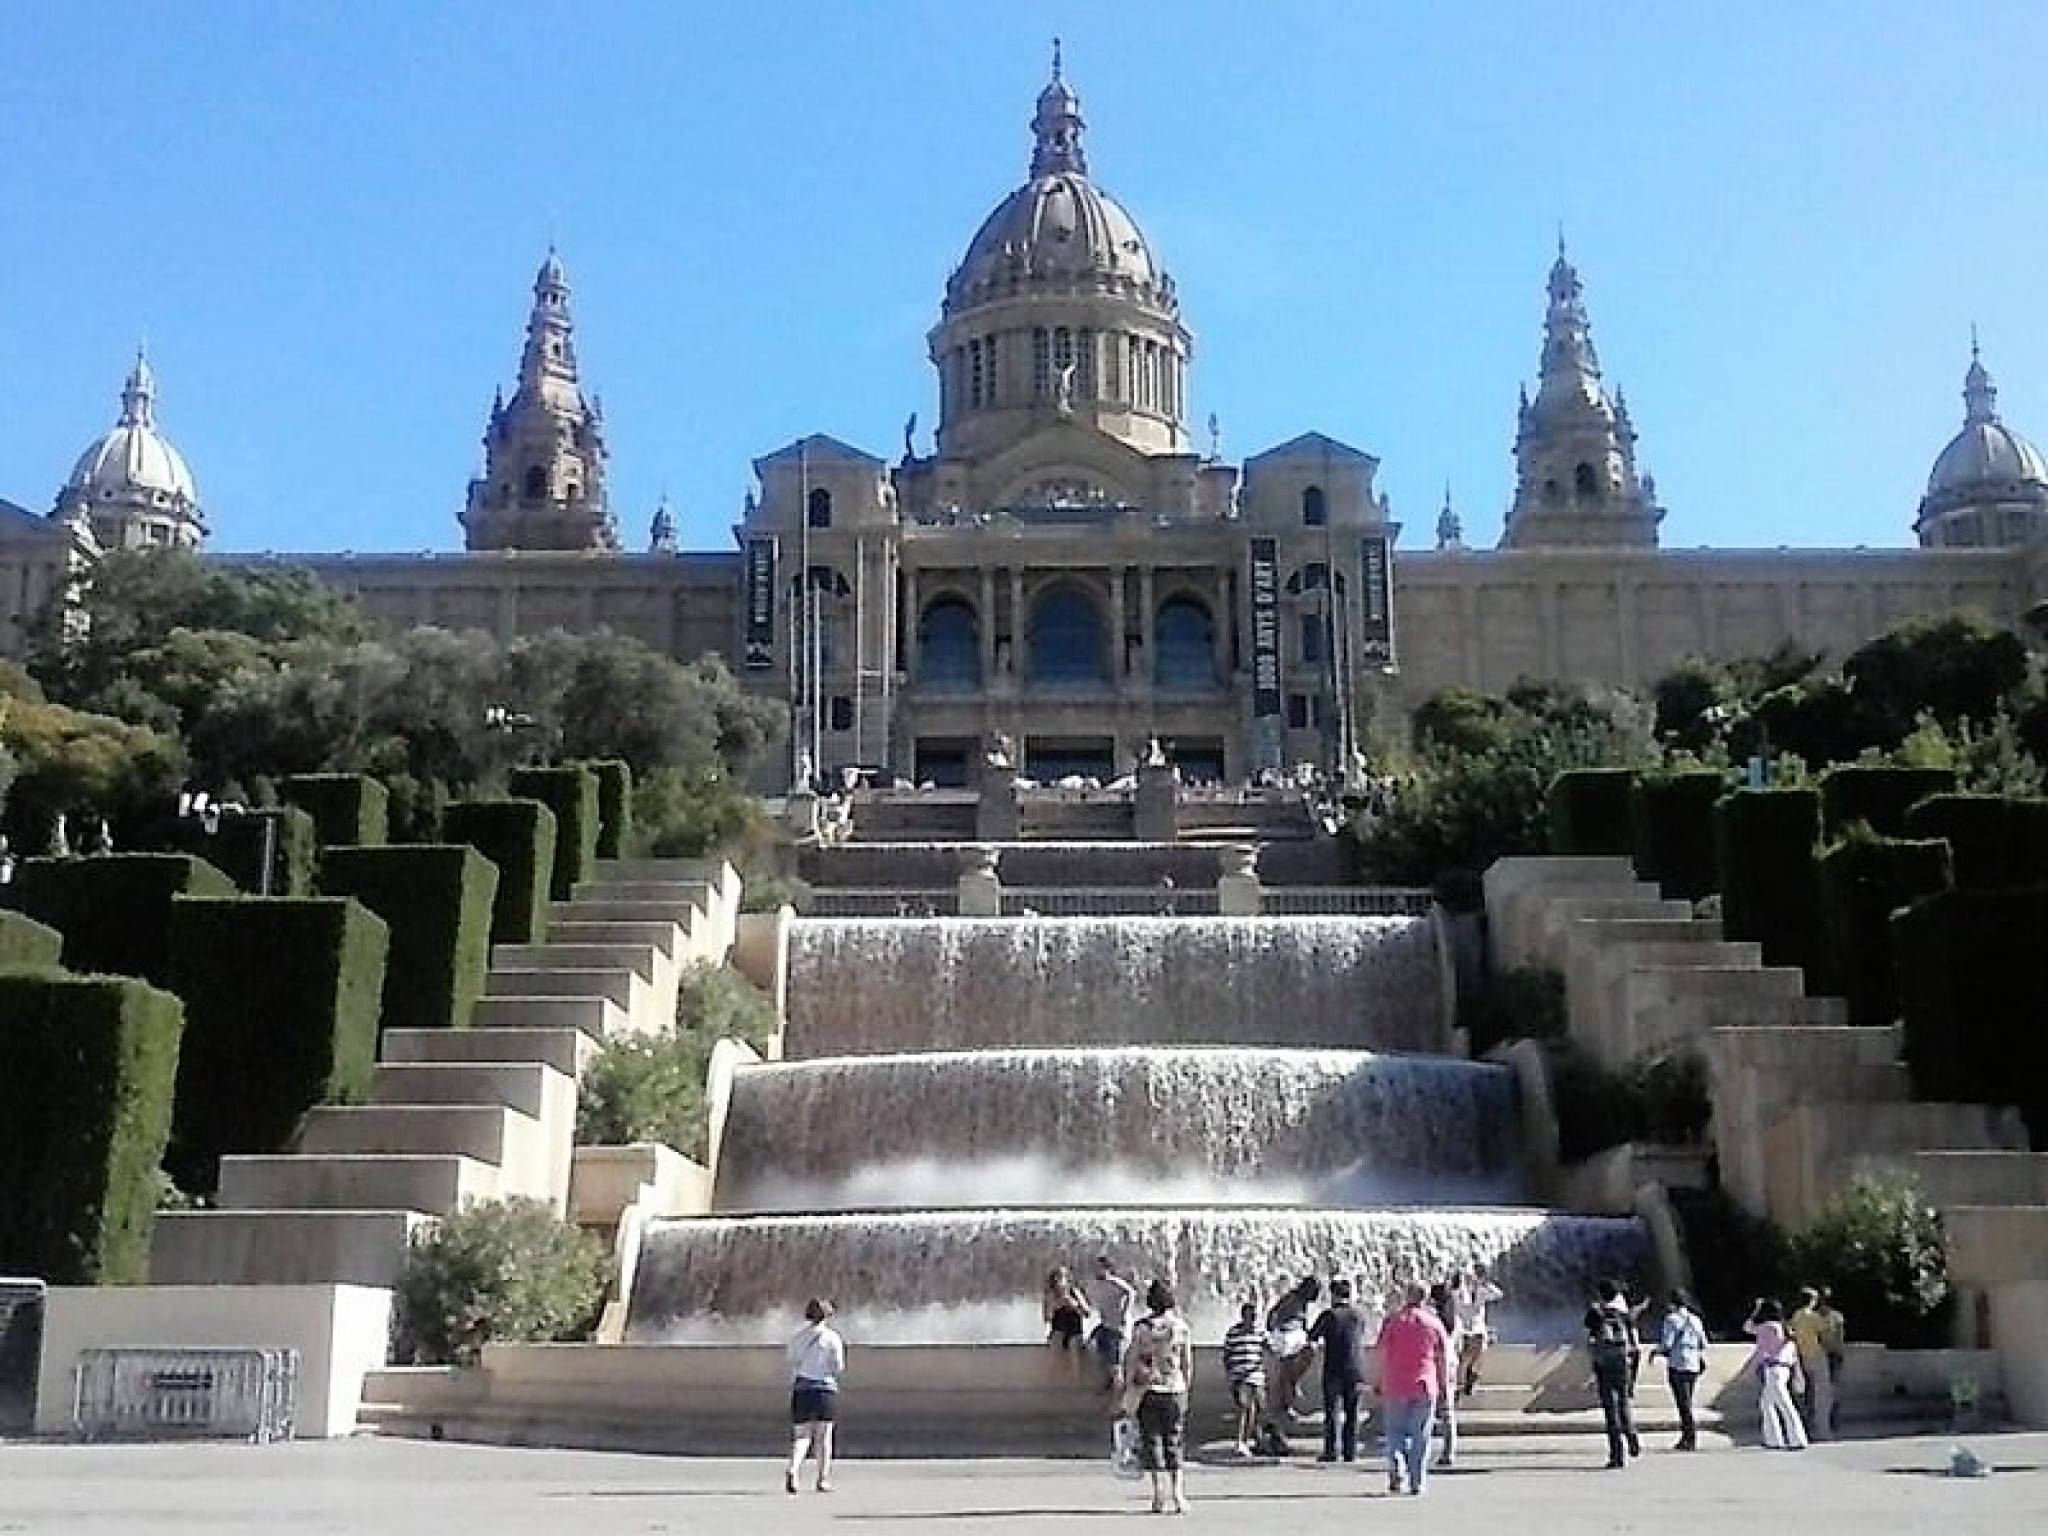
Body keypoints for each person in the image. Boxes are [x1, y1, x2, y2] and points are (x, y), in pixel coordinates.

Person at [1375, 1281, 1452, 1496]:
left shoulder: (1393, 1322)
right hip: (1425, 1385)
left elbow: (1381, 1353)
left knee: (1395, 1432)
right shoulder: (1434, 1323)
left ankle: (1397, 1468)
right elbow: (1443, 1357)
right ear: (1424, 1299)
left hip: (1396, 1384)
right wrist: (1445, 1384)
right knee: (1421, 1435)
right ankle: (1417, 1482)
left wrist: (1379, 1381)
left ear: (1406, 1297)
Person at [1126, 1278, 1194, 1515]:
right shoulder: (1181, 1327)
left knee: (1152, 1441)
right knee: (1174, 1441)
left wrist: (1128, 1387)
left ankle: (1158, 1495)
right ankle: (1178, 1494)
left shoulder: (1141, 1328)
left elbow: (1132, 1359)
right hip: (1175, 1389)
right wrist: (1186, 1387)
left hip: (1148, 1390)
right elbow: (1187, 1363)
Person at [784, 1297, 846, 1494]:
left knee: (802, 1437)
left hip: (801, 1389)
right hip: (824, 1390)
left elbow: (792, 1361)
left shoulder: (797, 1337)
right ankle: (822, 1479)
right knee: (824, 1437)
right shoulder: (832, 1338)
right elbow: (838, 1366)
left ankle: (793, 1469)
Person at [1584, 1278, 1642, 1469]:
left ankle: (1617, 1455)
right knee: (1624, 1401)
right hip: (1622, 1363)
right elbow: (1633, 1340)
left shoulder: (1595, 1313)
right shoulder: (1623, 1314)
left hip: (1604, 1365)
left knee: (1610, 1409)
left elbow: (1589, 1337)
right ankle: (1631, 1433)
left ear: (1601, 1295)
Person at [1308, 1278, 1368, 1463]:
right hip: (1356, 1369)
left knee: (1332, 1412)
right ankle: (1350, 1452)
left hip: (1334, 1369)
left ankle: (1331, 1451)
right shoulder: (1358, 1315)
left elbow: (1312, 1336)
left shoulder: (1329, 1315)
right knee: (1352, 1413)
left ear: (1333, 1295)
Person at [1743, 1298, 1809, 1451]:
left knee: (1783, 1404)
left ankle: (1796, 1439)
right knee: (1767, 1404)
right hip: (1782, 1369)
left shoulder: (1769, 1327)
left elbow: (1748, 1327)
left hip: (1773, 1369)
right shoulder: (1783, 1327)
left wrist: (1756, 1309)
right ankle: (1774, 1439)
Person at [1262, 1274, 1321, 1435]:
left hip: (1292, 1337)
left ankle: (1290, 1395)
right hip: (1286, 1336)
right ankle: (1286, 1402)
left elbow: (1302, 1321)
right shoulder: (1292, 1298)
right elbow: (1273, 1313)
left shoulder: (1300, 1300)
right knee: (1287, 1372)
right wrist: (1271, 1330)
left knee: (1290, 1371)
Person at [1651, 1288, 1708, 1451]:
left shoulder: (1671, 1319)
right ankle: (1688, 1436)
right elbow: (1704, 1343)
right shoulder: (1695, 1319)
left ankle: (1689, 1438)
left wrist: (1656, 1351)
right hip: (1693, 1364)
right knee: (1687, 1401)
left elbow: (1667, 1344)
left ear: (1671, 1303)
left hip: (1678, 1364)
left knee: (1683, 1404)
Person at [1085, 1255, 1137, 1397]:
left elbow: (1131, 1292)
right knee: (1092, 1347)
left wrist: (1126, 1312)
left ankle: (1118, 1394)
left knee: (1116, 1364)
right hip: (1105, 1326)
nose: (1095, 1270)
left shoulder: (1114, 1282)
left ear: (1107, 1269)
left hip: (1117, 1328)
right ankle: (1108, 1381)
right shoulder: (1097, 1284)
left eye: (1098, 1268)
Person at [1221, 1300, 1268, 1457]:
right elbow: (1227, 1355)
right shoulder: (1233, 1333)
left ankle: (1257, 1439)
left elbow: (1268, 1350)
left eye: (1254, 1316)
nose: (1252, 1319)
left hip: (1257, 1377)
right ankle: (1242, 1441)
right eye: (1249, 1316)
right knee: (1246, 1408)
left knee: (1259, 1409)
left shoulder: (1260, 1333)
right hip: (1241, 1377)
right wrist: (1232, 1374)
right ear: (1243, 1316)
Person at [1451, 1264, 1505, 1398]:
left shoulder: (1482, 1291)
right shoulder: (1458, 1292)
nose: (1471, 1281)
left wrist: (1485, 1284)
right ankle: (1460, 1384)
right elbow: (1455, 1297)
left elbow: (1498, 1294)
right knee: (1463, 1357)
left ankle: (1471, 1378)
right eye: (1467, 1278)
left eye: (1473, 1278)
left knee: (1478, 1352)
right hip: (1462, 1330)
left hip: (1478, 1329)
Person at [1788, 1286, 1833, 1438]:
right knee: (1822, 1394)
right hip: (1817, 1355)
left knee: (1809, 1395)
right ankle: (1822, 1430)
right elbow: (1826, 1333)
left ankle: (1808, 1427)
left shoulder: (1796, 1315)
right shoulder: (1813, 1316)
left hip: (1803, 1356)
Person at [1427, 1280, 1461, 1469]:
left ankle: (1427, 1449)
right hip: (1450, 1364)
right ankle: (1449, 1451)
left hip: (1435, 1364)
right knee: (1447, 1412)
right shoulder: (1454, 1320)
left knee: (1428, 1410)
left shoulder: (1434, 1320)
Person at [1043, 1266, 1090, 1376]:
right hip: (1058, 1330)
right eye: (1057, 1277)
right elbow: (1047, 1318)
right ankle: (1051, 1382)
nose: (1059, 1280)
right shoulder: (1050, 1294)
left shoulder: (1075, 1292)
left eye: (1062, 1277)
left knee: (1074, 1350)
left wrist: (1075, 1305)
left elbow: (1087, 1313)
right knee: (1054, 1351)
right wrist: (1056, 1305)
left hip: (1075, 1331)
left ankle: (1076, 1381)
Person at [1819, 1290, 1849, 1436]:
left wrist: (1838, 1349)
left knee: (1834, 1387)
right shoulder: (1816, 1317)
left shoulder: (1836, 1316)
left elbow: (1840, 1335)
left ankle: (1834, 1418)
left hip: (1833, 1354)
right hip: (1822, 1354)